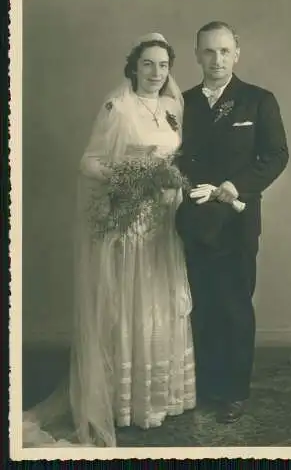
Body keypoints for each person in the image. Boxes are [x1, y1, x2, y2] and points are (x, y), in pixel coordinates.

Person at [23, 33, 196, 448]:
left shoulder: (174, 106)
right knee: (130, 302)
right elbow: (89, 163)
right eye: (147, 65)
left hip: (165, 223)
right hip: (130, 222)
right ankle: (125, 403)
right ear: (133, 68)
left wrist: (170, 180)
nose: (156, 73)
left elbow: (178, 157)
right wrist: (132, 177)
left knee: (160, 300)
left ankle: (160, 397)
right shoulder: (116, 107)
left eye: (162, 65)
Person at [175, 21, 289, 424]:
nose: (216, 60)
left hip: (237, 222)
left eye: (224, 51)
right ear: (196, 54)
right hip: (192, 220)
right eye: (208, 51)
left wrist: (234, 185)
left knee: (234, 305)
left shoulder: (258, 100)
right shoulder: (181, 101)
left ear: (236, 53)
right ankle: (204, 386)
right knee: (199, 305)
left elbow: (276, 156)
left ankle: (233, 392)